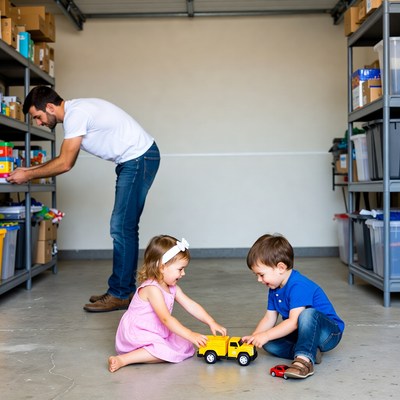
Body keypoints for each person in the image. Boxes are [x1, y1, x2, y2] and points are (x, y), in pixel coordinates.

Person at [7, 86, 160, 313]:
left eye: (37, 117)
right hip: (135, 160)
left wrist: (27, 174)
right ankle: (121, 290)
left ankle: (120, 294)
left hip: (138, 159)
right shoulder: (77, 111)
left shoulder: (75, 115)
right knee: (123, 227)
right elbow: (64, 159)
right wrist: (29, 169)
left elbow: (65, 163)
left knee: (121, 227)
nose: (38, 123)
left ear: (49, 107)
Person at [108, 235, 227, 373]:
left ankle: (151, 350)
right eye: (180, 269)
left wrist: (211, 322)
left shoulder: (172, 288)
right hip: (137, 332)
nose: (183, 273)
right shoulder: (152, 289)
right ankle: (124, 359)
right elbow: (166, 318)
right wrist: (190, 334)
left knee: (186, 346)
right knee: (166, 349)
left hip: (156, 330)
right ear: (162, 267)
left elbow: (190, 305)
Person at [242, 234, 344, 379]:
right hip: (303, 332)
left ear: (280, 268)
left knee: (307, 314)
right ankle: (310, 350)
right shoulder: (274, 288)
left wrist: (265, 335)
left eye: (261, 274)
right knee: (268, 343)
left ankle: (303, 361)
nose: (259, 280)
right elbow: (269, 318)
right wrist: (255, 338)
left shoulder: (298, 285)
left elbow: (294, 321)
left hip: (328, 334)